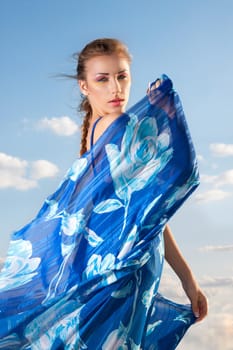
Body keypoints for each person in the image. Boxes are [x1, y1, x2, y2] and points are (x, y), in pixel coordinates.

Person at [0, 38, 207, 349]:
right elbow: (181, 169)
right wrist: (166, 109)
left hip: (130, 268)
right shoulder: (119, 125)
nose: (116, 88)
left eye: (122, 76)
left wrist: (187, 279)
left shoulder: (97, 132)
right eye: (102, 79)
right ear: (85, 87)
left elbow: (152, 215)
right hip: (125, 271)